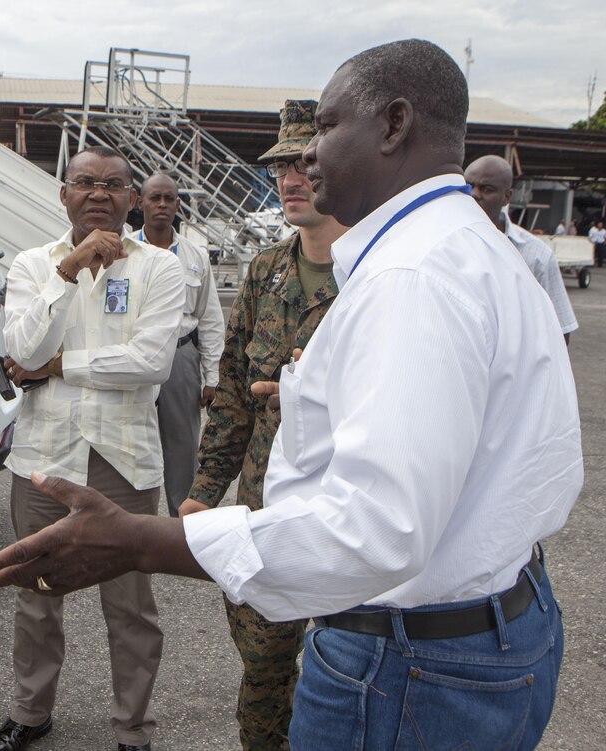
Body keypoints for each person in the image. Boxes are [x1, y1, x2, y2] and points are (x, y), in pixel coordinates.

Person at [0, 39, 582, 751]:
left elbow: (374, 530)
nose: (307, 157)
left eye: (324, 128)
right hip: (485, 620)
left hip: (407, 662)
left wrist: (144, 538)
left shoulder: (413, 276)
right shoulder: (473, 251)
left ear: (392, 125)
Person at [0, 145, 184, 751]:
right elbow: (21, 346)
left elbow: (151, 363)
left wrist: (61, 365)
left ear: (132, 198)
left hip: (123, 459)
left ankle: (133, 729)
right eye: (85, 182)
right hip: (45, 459)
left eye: (114, 184)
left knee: (129, 605)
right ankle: (31, 712)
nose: (99, 193)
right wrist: (67, 272)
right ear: (63, 193)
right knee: (36, 594)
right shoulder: (31, 265)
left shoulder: (159, 268)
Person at [177, 99, 346, 750]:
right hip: (265, 508)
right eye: (282, 167)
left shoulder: (374, 277)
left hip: (344, 515)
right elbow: (235, 402)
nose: (291, 179)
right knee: (264, 663)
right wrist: (203, 488)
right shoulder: (266, 269)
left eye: (307, 162)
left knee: (344, 661)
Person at [130, 173, 224, 518]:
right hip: (134, 354)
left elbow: (211, 318)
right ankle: (132, 522)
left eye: (169, 199)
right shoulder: (123, 251)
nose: (162, 205)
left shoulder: (196, 256)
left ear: (177, 205)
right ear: (140, 203)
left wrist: (212, 376)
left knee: (182, 445)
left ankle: (181, 524)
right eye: (154, 198)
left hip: (181, 356)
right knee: (129, 439)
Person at [465, 155, 578, 344]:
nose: (474, 194)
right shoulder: (443, 243)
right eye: (468, 186)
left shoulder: (537, 256)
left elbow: (561, 330)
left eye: (487, 189)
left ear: (507, 197)